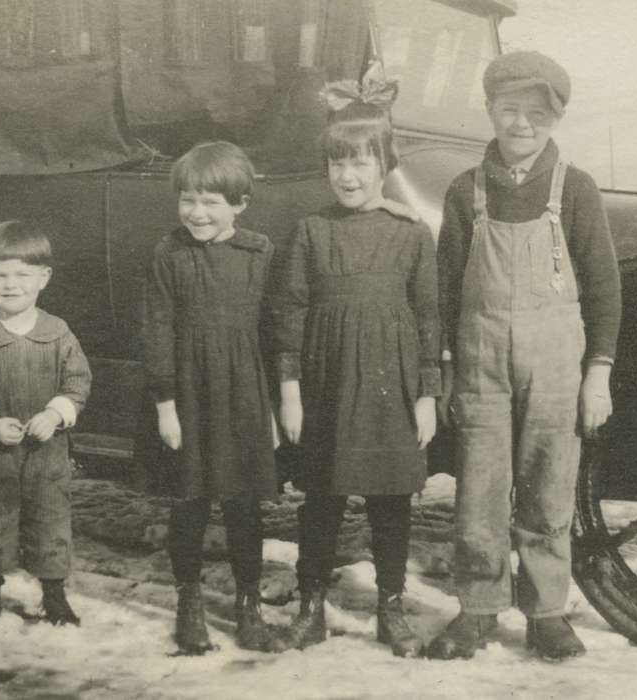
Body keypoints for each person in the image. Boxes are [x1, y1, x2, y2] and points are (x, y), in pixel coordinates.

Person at [427, 50, 622, 661]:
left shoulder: (577, 189)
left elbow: (605, 290)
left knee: (548, 488)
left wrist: (599, 376)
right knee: (480, 491)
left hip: (558, 366)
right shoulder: (467, 191)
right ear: (490, 110)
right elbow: (443, 286)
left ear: (555, 118)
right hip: (480, 363)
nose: (520, 124)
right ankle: (478, 609)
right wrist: (447, 374)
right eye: (508, 110)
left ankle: (546, 612)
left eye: (535, 113)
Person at [267, 67, 440, 658]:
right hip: (327, 383)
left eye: (362, 161)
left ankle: (390, 607)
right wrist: (289, 391)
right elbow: (288, 313)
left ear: (385, 165)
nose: (348, 175)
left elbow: (428, 319)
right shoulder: (311, 231)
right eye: (337, 163)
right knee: (322, 499)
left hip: (392, 384)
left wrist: (426, 394)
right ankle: (311, 604)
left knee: (391, 501)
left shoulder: (412, 235)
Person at [138, 141, 279, 654]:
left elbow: (272, 329)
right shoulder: (169, 253)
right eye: (187, 200)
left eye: (211, 202)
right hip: (188, 394)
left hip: (242, 393)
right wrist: (165, 405)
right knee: (190, 503)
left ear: (240, 204)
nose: (196, 213)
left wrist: (275, 403)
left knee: (244, 506)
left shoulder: (259, 252)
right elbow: (157, 331)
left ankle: (248, 603)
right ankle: (189, 600)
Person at [0, 220, 93, 635]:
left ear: (43, 278)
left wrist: (54, 414)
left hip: (46, 455)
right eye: (0, 275)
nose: (11, 285)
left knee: (50, 522)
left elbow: (78, 382)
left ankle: (54, 595)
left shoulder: (57, 333)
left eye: (22, 275)